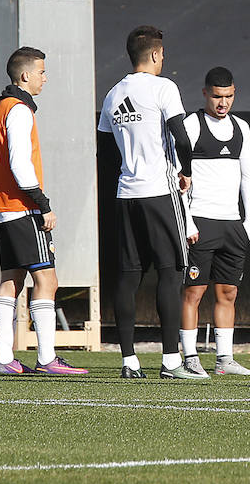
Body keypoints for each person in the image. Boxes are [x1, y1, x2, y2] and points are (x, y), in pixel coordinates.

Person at [99, 25, 202, 380]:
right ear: (156, 55)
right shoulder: (163, 88)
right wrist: (185, 171)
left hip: (126, 195)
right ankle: (172, 362)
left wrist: (127, 173)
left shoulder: (113, 95)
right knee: (171, 274)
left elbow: (104, 151)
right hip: (159, 193)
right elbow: (182, 138)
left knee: (128, 277)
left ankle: (129, 362)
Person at [0, 46, 87, 375]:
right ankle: (46, 358)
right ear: (25, 75)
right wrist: (43, 204)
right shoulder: (19, 110)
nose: (45, 77)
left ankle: (4, 358)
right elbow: (19, 163)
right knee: (47, 279)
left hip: (0, 206)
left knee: (11, 279)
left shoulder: (0, 106)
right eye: (41, 71)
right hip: (20, 206)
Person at [178, 67, 250, 377]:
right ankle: (190, 358)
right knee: (194, 292)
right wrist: (187, 222)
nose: (222, 103)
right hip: (201, 220)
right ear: (205, 93)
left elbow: (249, 176)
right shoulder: (192, 125)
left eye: (228, 96)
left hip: (232, 224)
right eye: (216, 96)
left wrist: (249, 223)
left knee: (228, 293)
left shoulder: (242, 127)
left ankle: (225, 359)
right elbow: (179, 176)